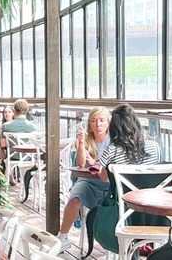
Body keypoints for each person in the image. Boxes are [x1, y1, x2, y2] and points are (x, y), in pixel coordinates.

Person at [56, 107, 112, 252]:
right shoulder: (86, 140)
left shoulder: (114, 141)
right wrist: (81, 144)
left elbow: (111, 165)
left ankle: (113, 240)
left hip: (109, 183)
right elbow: (81, 163)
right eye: (93, 121)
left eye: (101, 120)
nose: (98, 124)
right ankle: (63, 237)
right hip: (88, 181)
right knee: (75, 198)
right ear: (89, 125)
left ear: (108, 122)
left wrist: (95, 162)